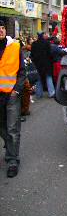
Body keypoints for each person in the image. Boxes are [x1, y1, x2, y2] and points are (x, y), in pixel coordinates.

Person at [0, 20, 26, 177]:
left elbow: (22, 71)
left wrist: (17, 90)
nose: (1, 30)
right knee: (3, 127)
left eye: (2, 27)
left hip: (11, 95)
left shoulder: (15, 47)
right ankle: (10, 147)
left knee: (13, 129)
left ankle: (12, 160)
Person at [30, 32, 55, 98]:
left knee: (38, 79)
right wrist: (51, 60)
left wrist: (34, 60)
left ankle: (39, 94)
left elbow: (32, 54)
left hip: (37, 64)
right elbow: (50, 53)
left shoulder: (34, 44)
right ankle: (51, 92)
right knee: (48, 77)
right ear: (43, 35)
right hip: (46, 63)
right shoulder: (47, 43)